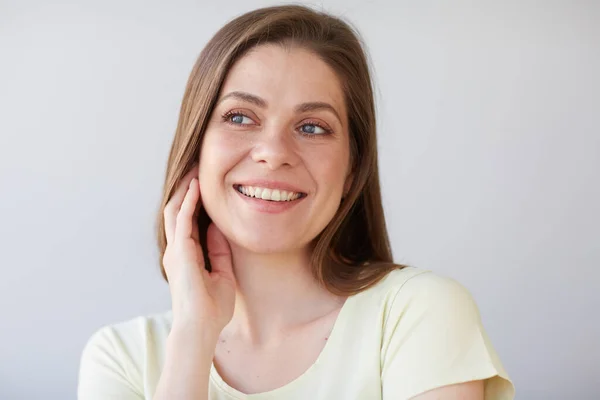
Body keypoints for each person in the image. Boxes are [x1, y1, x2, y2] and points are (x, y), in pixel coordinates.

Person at [77, 5, 514, 400]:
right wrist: (193, 336)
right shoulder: (121, 358)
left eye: (311, 127)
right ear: (196, 150)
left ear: (351, 169)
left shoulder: (417, 314)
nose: (273, 151)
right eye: (240, 117)